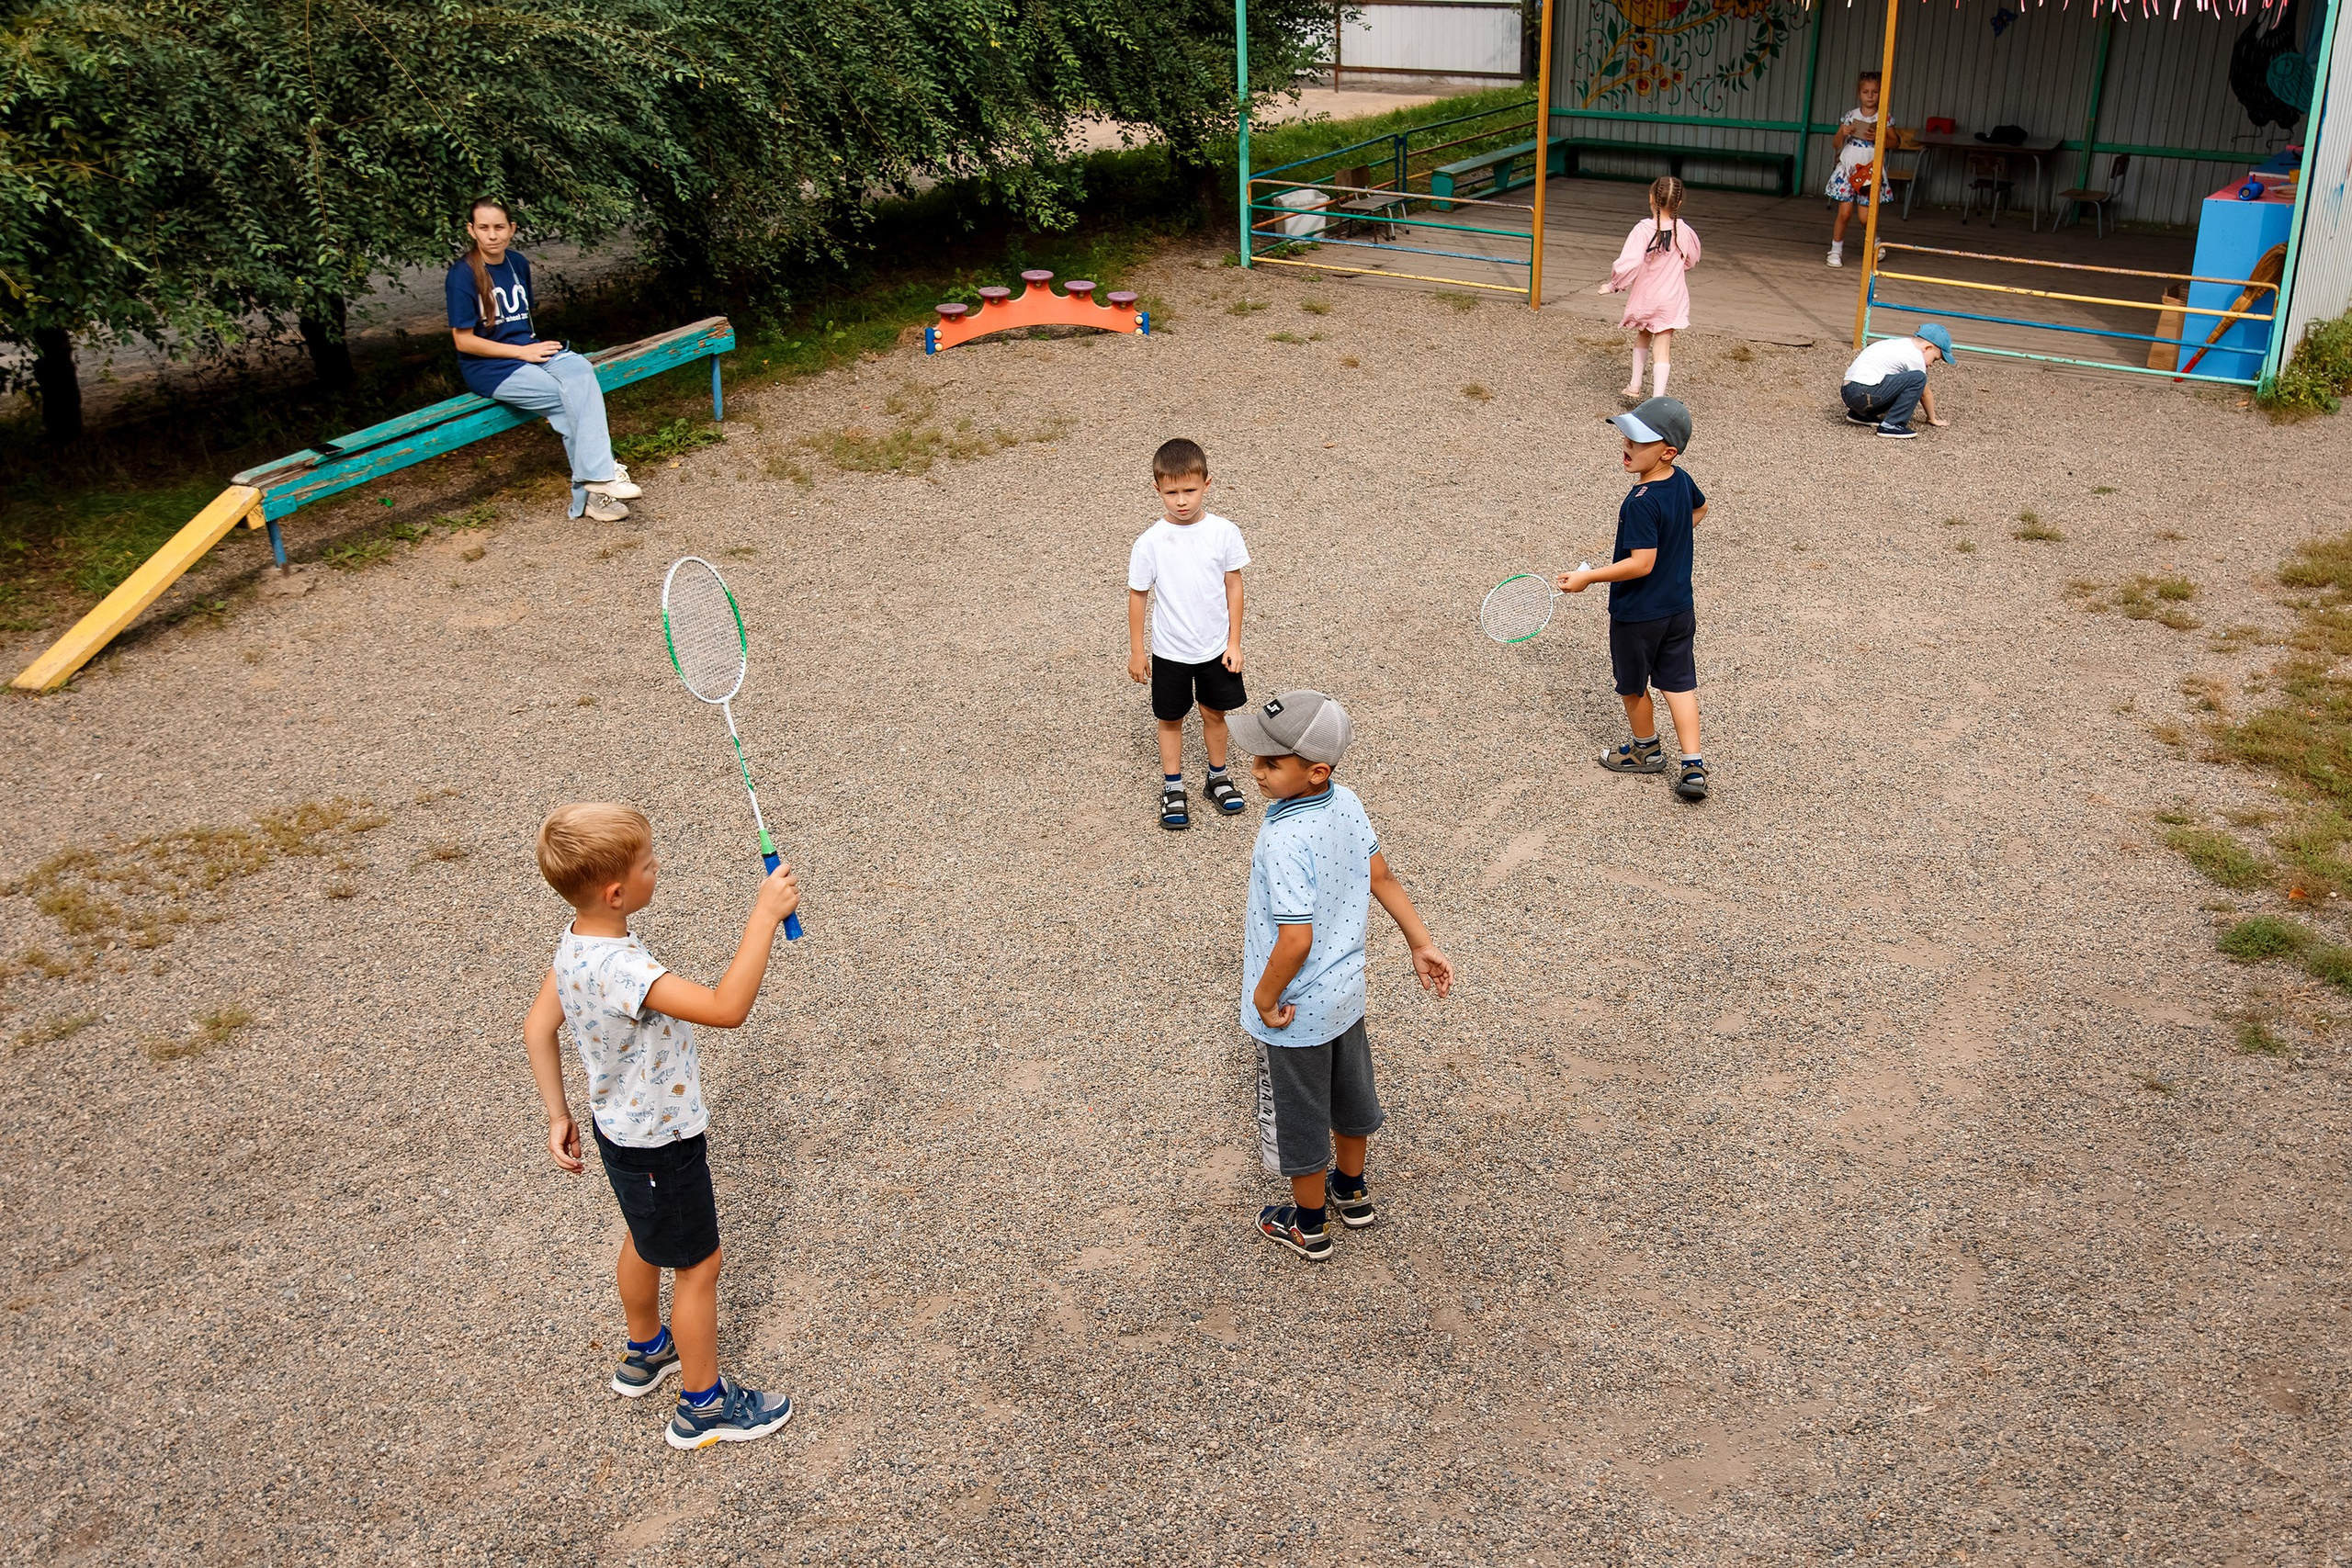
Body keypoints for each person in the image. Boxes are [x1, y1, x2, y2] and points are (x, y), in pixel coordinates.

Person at [521, 802, 800, 1450]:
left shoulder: (574, 945)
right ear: (616, 892)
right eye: (649, 864)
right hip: (662, 1139)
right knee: (699, 1265)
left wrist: (558, 1114)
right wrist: (763, 916)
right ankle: (703, 1404)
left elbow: (537, 1028)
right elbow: (726, 1008)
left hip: (617, 1132)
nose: (658, 868)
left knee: (645, 1237)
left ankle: (647, 1348)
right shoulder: (623, 969)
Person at [1228, 690, 1453, 1261]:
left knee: (1300, 1113)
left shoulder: (1281, 836)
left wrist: (1264, 996)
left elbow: (1295, 939)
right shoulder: (1347, 802)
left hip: (1297, 1008)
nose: (1255, 771)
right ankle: (1352, 1192)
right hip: (1346, 994)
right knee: (1351, 1095)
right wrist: (1421, 942)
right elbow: (1382, 877)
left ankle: (1308, 1225)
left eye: (1270, 762)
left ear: (1316, 771)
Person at [447, 197, 643, 524]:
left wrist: (529, 350)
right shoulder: (462, 274)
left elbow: (520, 323)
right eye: (483, 228)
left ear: (512, 229)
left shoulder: (517, 264)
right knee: (569, 401)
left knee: (581, 370)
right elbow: (463, 341)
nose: (492, 235)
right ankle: (599, 484)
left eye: (499, 227)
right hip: (490, 368)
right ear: (471, 230)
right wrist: (520, 353)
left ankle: (597, 482)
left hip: (531, 352)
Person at [1556, 396, 1710, 803]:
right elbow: (1700, 509)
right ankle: (1693, 764)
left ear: (1667, 451)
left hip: (1638, 615)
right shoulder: (1681, 480)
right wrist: (1673, 536)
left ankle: (1646, 750)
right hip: (1679, 608)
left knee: (1633, 686)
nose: (1626, 445)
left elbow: (1641, 564)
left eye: (1638, 440)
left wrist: (1588, 577)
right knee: (1679, 685)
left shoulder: (1641, 501)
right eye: (1626, 436)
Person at [1127, 438, 1250, 831]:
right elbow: (1138, 595)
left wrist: (1234, 642)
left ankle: (1218, 777)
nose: (1181, 501)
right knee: (1171, 718)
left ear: (1207, 484)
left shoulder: (1224, 532)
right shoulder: (1150, 542)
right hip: (1170, 651)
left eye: (1190, 490)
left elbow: (1234, 585)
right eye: (1171, 492)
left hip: (1215, 648)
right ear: (1157, 489)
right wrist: (1137, 651)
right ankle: (1173, 785)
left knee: (1215, 713)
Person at [1599, 176, 1702, 402]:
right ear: (1679, 203)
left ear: (1651, 198)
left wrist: (1614, 285)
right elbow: (1692, 259)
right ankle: (1657, 398)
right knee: (1663, 347)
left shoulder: (1643, 229)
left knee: (1643, 334)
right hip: (1672, 296)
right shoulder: (1684, 230)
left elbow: (1630, 262)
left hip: (1646, 296)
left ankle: (1635, 386)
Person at [1839, 322, 1957, 440]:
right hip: (1862, 391)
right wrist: (1932, 418)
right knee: (1919, 378)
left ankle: (1861, 415)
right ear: (1927, 348)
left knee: (1899, 381)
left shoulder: (1900, 344)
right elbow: (1925, 394)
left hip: (1848, 391)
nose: (1931, 364)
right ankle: (1892, 425)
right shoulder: (1915, 356)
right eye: (1935, 359)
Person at [1826, 72, 1889, 268]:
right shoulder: (1850, 116)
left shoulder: (1884, 117)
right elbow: (1836, 143)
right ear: (1859, 93)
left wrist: (1879, 137)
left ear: (1881, 94)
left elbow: (1895, 142)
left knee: (1864, 216)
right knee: (1844, 213)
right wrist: (1843, 133)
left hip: (1869, 171)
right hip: (1848, 169)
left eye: (1874, 92)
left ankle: (1874, 241)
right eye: (1865, 92)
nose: (1870, 96)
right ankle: (1835, 250)